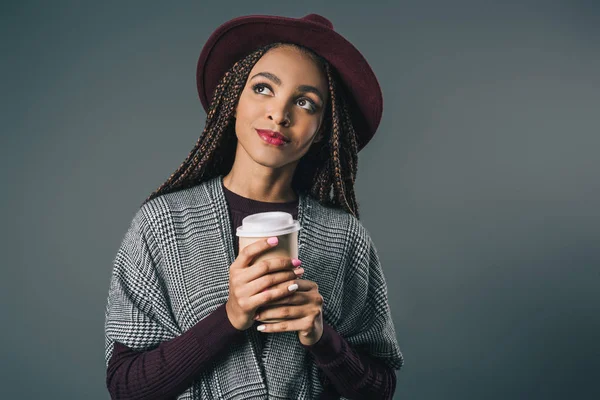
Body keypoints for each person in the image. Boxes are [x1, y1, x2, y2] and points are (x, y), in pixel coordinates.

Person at [104, 13, 404, 400]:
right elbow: (126, 387)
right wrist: (230, 317)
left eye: (306, 103)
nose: (279, 115)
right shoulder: (161, 225)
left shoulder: (344, 237)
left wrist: (321, 337)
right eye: (264, 89)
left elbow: (380, 389)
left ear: (321, 132)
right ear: (233, 100)